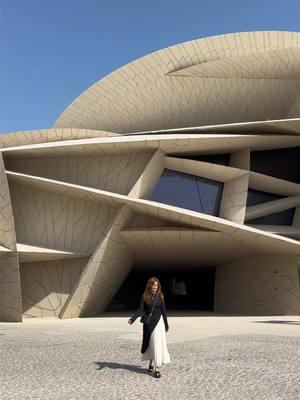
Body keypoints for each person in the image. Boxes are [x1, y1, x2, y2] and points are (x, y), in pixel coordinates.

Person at [128, 277, 170, 378]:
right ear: (149, 285)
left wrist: (166, 324)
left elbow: (164, 311)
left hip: (158, 323)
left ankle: (157, 368)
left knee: (157, 344)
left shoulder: (160, 296)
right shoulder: (145, 296)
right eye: (153, 285)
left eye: (157, 285)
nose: (155, 287)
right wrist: (133, 318)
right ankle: (151, 363)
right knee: (150, 344)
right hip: (148, 323)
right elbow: (141, 309)